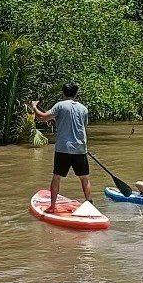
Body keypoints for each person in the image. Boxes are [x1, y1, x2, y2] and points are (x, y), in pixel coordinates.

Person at [30, 82, 91, 213]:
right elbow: (83, 126)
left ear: (63, 93)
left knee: (57, 177)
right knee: (84, 178)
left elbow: (42, 118)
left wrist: (34, 107)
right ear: (76, 94)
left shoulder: (60, 105)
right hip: (80, 148)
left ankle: (52, 207)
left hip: (63, 148)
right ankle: (89, 203)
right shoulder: (84, 109)